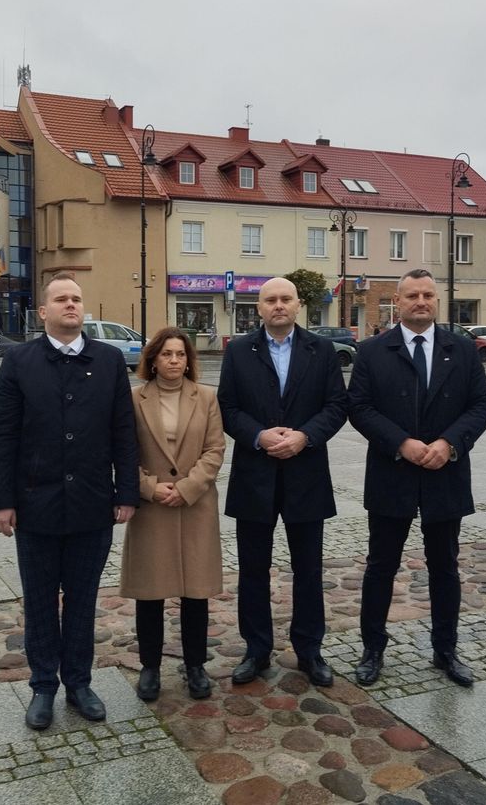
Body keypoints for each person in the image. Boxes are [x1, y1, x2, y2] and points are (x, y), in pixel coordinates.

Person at [0, 272, 138, 730]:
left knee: (82, 599)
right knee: (38, 600)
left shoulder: (109, 360)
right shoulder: (19, 361)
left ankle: (78, 682)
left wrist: (126, 492)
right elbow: (3, 434)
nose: (71, 305)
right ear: (44, 312)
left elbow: (123, 433)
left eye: (76, 299)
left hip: (93, 504)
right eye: (61, 299)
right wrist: (1, 501)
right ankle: (42, 687)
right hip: (36, 504)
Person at [347, 269, 486, 688]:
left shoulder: (461, 350)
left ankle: (445, 649)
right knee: (381, 566)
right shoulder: (374, 350)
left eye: (428, 295)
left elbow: (482, 405)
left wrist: (449, 443)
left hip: (444, 474)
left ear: (437, 300)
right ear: (398, 300)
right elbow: (358, 407)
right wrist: (401, 443)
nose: (421, 301)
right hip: (392, 473)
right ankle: (372, 649)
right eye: (412, 295)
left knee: (445, 567)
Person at [218, 277, 348, 687]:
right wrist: (259, 436)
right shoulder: (239, 351)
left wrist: (305, 436)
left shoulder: (321, 350)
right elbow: (228, 406)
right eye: (270, 299)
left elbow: (336, 405)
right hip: (254, 475)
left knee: (308, 568)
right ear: (258, 307)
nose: (278, 305)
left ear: (297, 306)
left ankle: (309, 650)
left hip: (305, 473)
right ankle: (256, 650)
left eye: (285, 299)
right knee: (253, 569)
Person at [120, 328, 225, 701]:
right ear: (153, 359)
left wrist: (187, 488)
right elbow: (122, 452)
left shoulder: (207, 397)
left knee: (195, 592)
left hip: (194, 506)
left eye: (181, 354)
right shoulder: (133, 400)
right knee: (150, 592)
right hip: (153, 508)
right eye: (167, 354)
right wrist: (149, 487)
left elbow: (215, 449)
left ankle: (195, 665)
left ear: (189, 360)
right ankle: (149, 668)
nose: (174, 361)